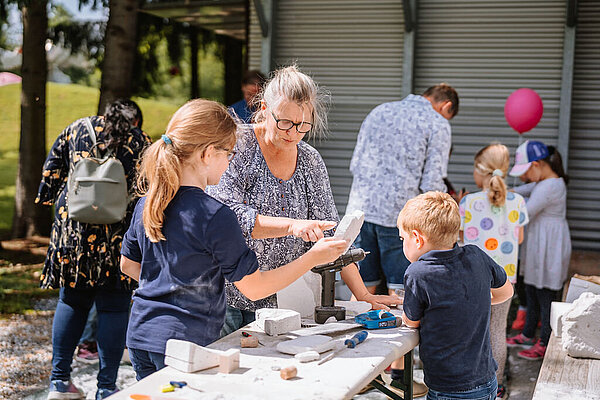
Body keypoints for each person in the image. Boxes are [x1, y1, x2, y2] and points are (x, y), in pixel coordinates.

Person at [119, 99, 348, 380]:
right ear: (208, 154)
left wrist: (171, 285)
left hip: (141, 335)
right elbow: (255, 288)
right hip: (187, 344)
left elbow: (128, 265)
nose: (230, 160)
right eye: (228, 153)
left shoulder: (149, 201)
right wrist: (314, 257)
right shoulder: (215, 215)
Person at [208, 65, 400, 336]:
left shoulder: (310, 160)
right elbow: (228, 216)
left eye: (303, 125)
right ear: (264, 108)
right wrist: (292, 225)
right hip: (226, 297)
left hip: (285, 302)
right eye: (285, 122)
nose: (293, 133)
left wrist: (362, 294)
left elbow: (332, 234)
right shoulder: (237, 145)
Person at [36, 99, 150, 400]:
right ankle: (106, 388)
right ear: (132, 120)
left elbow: (50, 180)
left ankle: (59, 383)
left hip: (74, 235)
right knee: (113, 306)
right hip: (118, 237)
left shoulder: (76, 129)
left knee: (71, 301)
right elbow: (150, 187)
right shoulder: (139, 140)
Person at [398, 192, 514, 400]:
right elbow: (506, 292)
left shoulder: (418, 273)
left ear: (417, 238)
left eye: (402, 238)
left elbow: (411, 322)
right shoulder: (476, 255)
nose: (402, 243)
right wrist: (474, 302)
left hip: (449, 387)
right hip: (487, 380)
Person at [346, 84, 459, 295]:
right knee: (400, 292)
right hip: (398, 216)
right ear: (446, 106)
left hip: (359, 211)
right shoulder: (438, 123)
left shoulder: (380, 110)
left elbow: (355, 163)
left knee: (361, 290)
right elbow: (432, 182)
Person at [459, 144, 529, 399]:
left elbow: (461, 237)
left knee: (472, 330)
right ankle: (497, 386)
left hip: (471, 278)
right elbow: (518, 239)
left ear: (480, 171)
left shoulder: (468, 202)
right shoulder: (518, 201)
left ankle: (470, 382)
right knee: (497, 330)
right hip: (505, 278)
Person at [506, 141, 571, 360]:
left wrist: (504, 198)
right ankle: (527, 335)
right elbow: (522, 190)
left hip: (549, 245)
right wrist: (508, 191)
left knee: (545, 295)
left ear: (536, 164)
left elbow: (524, 211)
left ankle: (544, 342)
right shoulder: (544, 182)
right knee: (532, 290)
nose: (524, 176)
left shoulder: (550, 185)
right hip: (539, 242)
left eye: (525, 171)